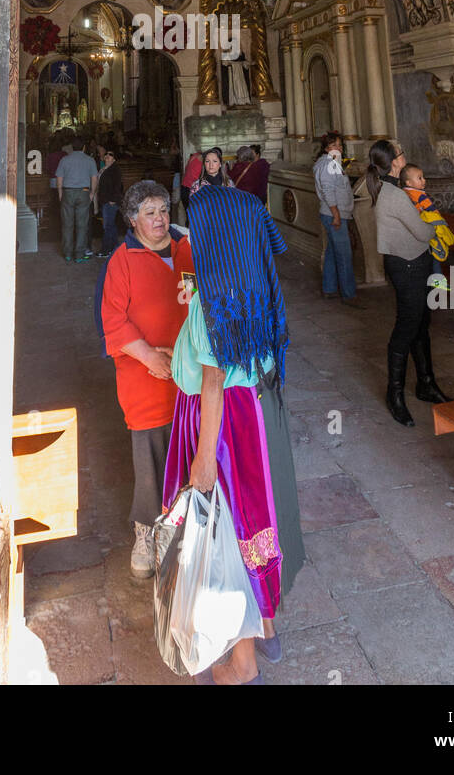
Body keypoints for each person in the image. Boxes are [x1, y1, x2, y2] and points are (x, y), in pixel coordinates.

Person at [163, 183, 305, 684]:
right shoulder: (259, 286)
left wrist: (203, 459)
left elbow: (213, 383)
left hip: (219, 426)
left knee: (225, 527)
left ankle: (240, 662)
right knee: (257, 521)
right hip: (257, 420)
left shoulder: (213, 302)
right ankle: (266, 624)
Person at [96, 181, 195, 577]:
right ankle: (146, 532)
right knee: (151, 455)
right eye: (150, 213)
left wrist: (186, 353)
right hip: (145, 375)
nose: (160, 219)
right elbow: (113, 320)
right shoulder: (122, 260)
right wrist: (150, 356)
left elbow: (199, 301)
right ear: (133, 219)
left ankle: (189, 527)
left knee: (190, 448)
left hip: (188, 370)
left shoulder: (186, 249)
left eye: (164, 211)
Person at [367, 139, 451, 426]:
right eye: (401, 152)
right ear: (395, 162)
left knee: (421, 324)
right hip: (408, 266)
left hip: (415, 263)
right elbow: (423, 233)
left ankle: (426, 384)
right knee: (407, 327)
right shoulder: (395, 195)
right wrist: (437, 223)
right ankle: (395, 395)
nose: (404, 153)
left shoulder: (395, 190)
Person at [313, 138, 358, 305]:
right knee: (344, 255)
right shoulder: (327, 165)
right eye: (333, 145)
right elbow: (328, 191)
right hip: (333, 214)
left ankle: (330, 288)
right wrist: (336, 215)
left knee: (332, 252)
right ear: (326, 148)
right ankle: (349, 294)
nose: (338, 148)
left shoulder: (331, 163)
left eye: (339, 145)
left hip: (334, 213)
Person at [399, 163, 454, 294]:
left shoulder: (403, 194)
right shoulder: (420, 196)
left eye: (423, 177)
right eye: (419, 178)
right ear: (409, 182)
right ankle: (439, 284)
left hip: (411, 235)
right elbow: (434, 213)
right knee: (434, 257)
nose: (424, 180)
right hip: (425, 233)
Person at [55, 138, 98, 264]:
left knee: (67, 224)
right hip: (84, 192)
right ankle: (79, 255)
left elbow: (59, 179)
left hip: (68, 192)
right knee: (82, 225)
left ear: (72, 148)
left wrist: (60, 194)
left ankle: (67, 253)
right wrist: (91, 193)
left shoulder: (65, 160)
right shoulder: (89, 160)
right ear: (84, 147)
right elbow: (94, 179)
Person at [97, 148, 123, 257]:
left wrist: (113, 199)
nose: (108, 155)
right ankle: (116, 248)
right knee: (110, 225)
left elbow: (118, 185)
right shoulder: (104, 169)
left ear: (114, 159)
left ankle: (105, 250)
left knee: (107, 226)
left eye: (110, 154)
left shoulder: (114, 169)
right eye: (106, 154)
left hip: (110, 201)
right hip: (105, 200)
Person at [181, 148, 203, 224]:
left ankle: (189, 233)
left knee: (189, 216)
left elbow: (186, 170)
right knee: (194, 217)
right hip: (191, 190)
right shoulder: (202, 161)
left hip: (184, 188)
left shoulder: (194, 156)